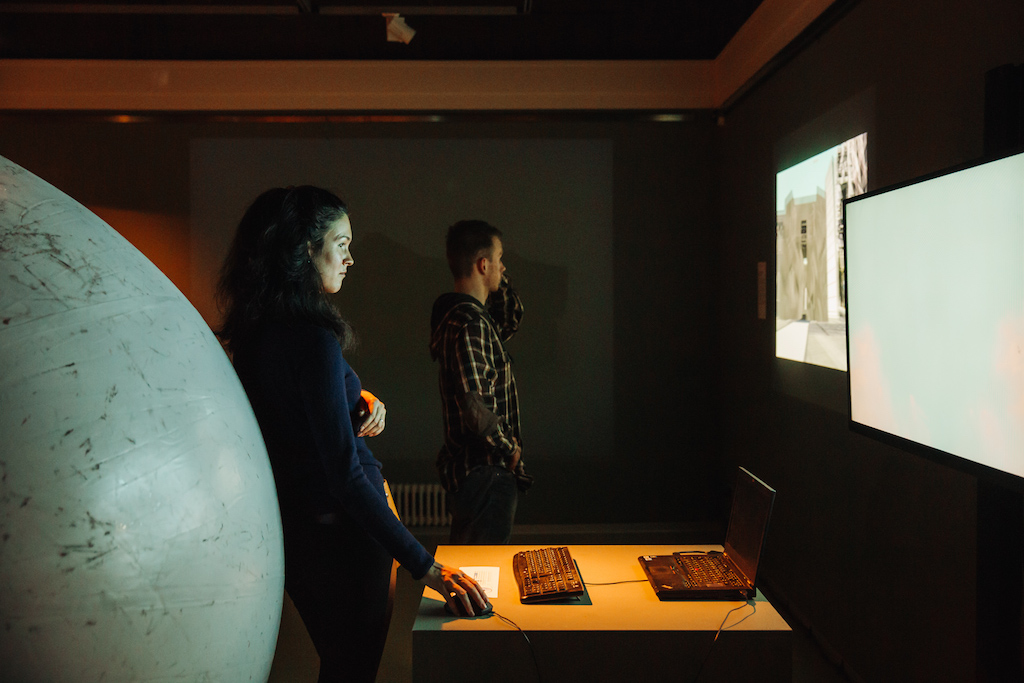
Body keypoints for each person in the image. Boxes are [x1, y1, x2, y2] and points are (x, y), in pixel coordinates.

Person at [217, 186, 488, 683]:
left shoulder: (256, 337)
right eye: (340, 244)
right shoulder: (314, 340)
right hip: (350, 540)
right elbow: (344, 475)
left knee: (340, 667)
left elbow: (288, 419)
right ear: (306, 249)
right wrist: (427, 568)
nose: (350, 259)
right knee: (353, 672)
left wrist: (355, 397)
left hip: (298, 539)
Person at [430, 219, 533, 545]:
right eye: (499, 259)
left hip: (481, 475)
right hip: (485, 473)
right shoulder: (470, 323)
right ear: (483, 264)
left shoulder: (475, 319)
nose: (503, 268)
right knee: (480, 571)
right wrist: (509, 448)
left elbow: (511, 316)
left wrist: (496, 277)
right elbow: (476, 406)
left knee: (475, 567)